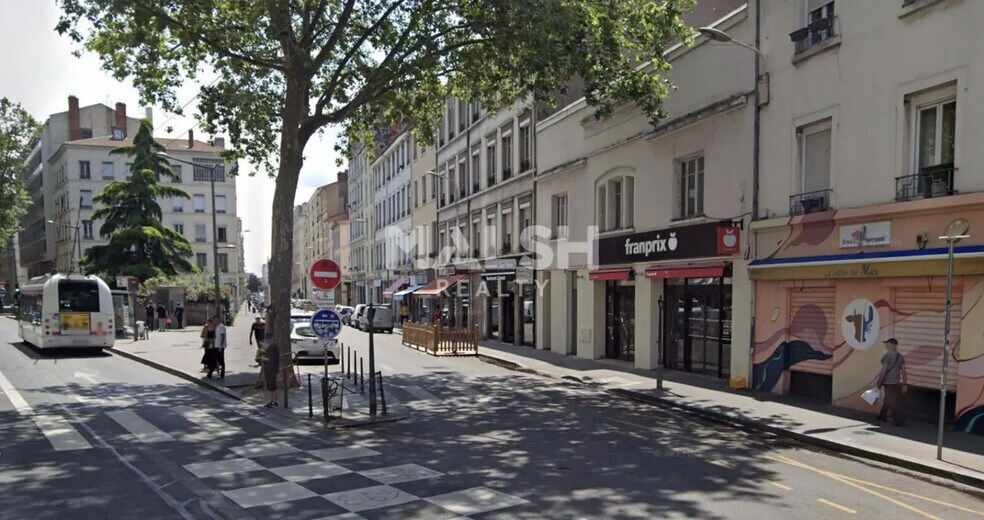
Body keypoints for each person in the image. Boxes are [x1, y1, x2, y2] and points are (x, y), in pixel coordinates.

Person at [875, 338, 908, 426]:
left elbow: (884, 370)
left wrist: (879, 382)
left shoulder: (887, 356)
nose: (885, 345)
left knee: (891, 401)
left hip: (888, 382)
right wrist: (904, 383)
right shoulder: (900, 356)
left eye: (887, 343)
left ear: (891, 345)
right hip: (895, 382)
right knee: (887, 399)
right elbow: (904, 371)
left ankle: (898, 420)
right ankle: (882, 416)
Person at [262, 336, 280, 408]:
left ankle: (272, 402)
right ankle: (275, 401)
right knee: (273, 386)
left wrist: (263, 359)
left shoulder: (272, 348)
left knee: (271, 386)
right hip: (272, 369)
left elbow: (271, 359)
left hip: (271, 369)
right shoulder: (274, 347)